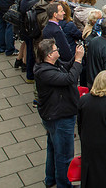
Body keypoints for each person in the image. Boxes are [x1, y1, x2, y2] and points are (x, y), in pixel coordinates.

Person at [35, 38, 85, 188]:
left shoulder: (51, 66)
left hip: (53, 115)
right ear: (49, 55)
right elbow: (69, 78)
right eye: (56, 49)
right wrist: (78, 61)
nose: (58, 51)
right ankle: (64, 184)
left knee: (53, 148)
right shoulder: (45, 72)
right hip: (60, 117)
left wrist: (74, 58)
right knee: (64, 155)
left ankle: (51, 179)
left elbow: (65, 68)